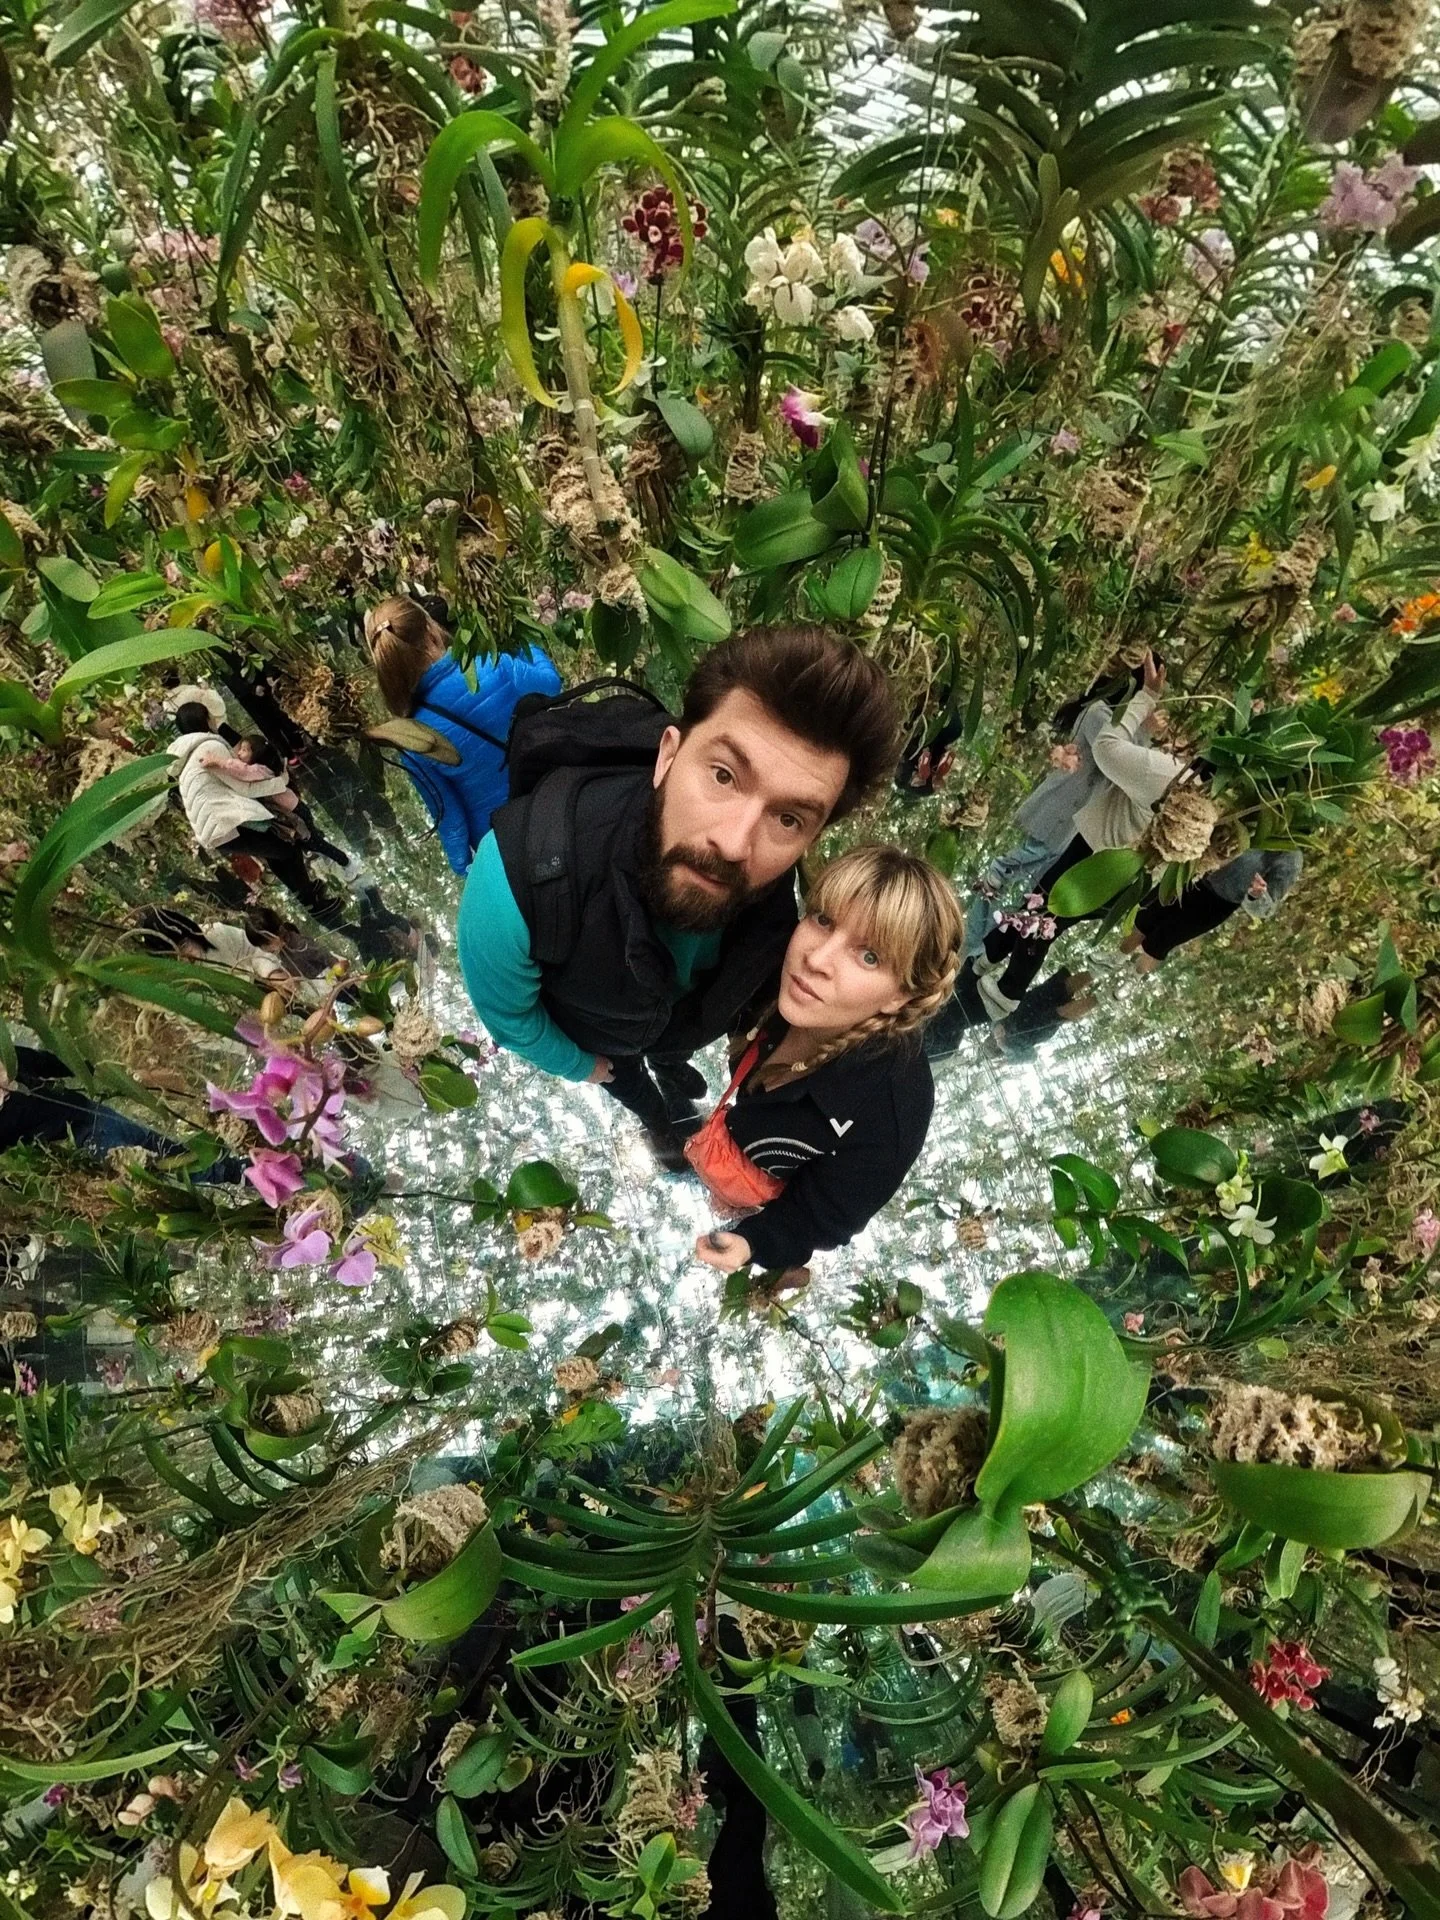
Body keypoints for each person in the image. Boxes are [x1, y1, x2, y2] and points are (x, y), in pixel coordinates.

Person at [457, 626, 899, 1170]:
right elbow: (508, 1017)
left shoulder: (783, 915)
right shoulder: (517, 883)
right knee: (630, 1084)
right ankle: (656, 1119)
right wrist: (582, 1066)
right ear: (668, 755)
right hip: (603, 1041)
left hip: (679, 1021)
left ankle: (671, 1067)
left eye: (788, 819)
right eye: (723, 776)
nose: (734, 844)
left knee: (672, 1046)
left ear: (811, 838)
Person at [687, 845, 962, 1276]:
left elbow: (819, 1218)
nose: (815, 959)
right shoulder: (767, 970)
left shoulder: (891, 1113)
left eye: (869, 956)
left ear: (901, 995)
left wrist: (752, 1242)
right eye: (823, 919)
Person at [973, 651, 1186, 1016]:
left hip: (1101, 852)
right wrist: (1144, 717)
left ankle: (1009, 990)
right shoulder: (1111, 723)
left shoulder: (1163, 772)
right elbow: (1113, 751)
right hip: (1096, 843)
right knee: (1041, 905)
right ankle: (992, 953)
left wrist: (1145, 706)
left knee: (1046, 915)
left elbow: (1118, 755)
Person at [364, 594, 560, 875]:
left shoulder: (413, 738)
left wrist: (464, 867)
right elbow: (551, 685)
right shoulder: (492, 662)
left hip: (508, 843)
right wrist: (522, 644)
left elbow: (449, 817)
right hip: (557, 797)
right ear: (431, 631)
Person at [168, 696, 352, 930]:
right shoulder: (208, 747)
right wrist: (280, 782)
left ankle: (305, 890)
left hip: (219, 826)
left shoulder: (186, 757)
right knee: (287, 846)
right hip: (227, 823)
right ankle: (313, 903)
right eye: (210, 715)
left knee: (276, 851)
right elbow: (244, 787)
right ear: (204, 719)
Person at [1121, 850, 1304, 971]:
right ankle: (1115, 959)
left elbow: (1266, 909)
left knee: (1162, 940)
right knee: (1146, 917)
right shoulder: (1256, 810)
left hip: (1217, 902)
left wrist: (1256, 895)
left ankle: (1132, 979)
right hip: (1195, 873)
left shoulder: (1291, 858)